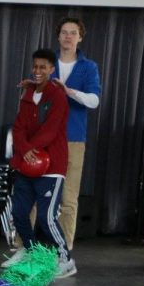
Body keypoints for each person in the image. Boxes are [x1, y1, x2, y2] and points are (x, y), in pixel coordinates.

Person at [4, 49, 73, 277]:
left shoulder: (57, 96)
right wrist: (24, 150)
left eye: (43, 67)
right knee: (19, 212)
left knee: (46, 217)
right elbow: (18, 127)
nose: (38, 71)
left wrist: (30, 149)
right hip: (26, 164)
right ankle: (31, 252)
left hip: (51, 166)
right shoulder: (27, 95)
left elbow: (51, 130)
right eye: (35, 66)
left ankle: (65, 259)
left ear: (52, 69)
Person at [51, 17, 102, 257]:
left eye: (73, 33)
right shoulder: (48, 63)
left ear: (80, 37)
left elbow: (94, 100)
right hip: (45, 139)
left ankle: (65, 250)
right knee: (35, 195)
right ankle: (25, 247)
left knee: (69, 197)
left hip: (73, 138)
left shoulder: (88, 66)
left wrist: (68, 91)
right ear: (58, 36)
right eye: (64, 32)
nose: (68, 36)